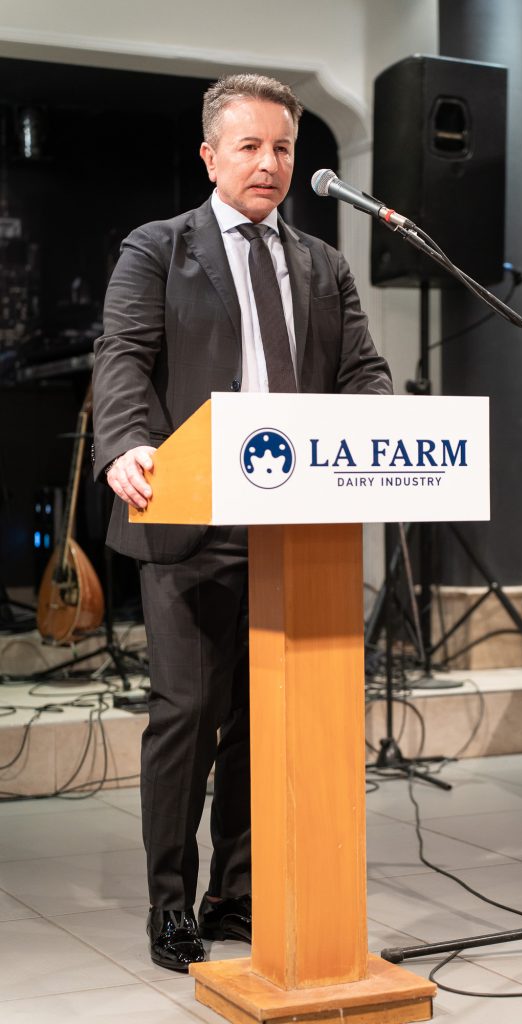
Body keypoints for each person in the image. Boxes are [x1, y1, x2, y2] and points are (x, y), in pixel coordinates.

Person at [92, 73, 392, 973]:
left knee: (266, 719)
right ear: (210, 155)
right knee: (188, 714)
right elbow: (123, 356)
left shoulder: (323, 263)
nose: (270, 163)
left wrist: (376, 425)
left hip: (295, 528)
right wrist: (125, 444)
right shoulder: (158, 248)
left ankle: (236, 892)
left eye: (284, 147)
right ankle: (170, 904)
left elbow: (364, 372)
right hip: (189, 514)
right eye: (251, 145)